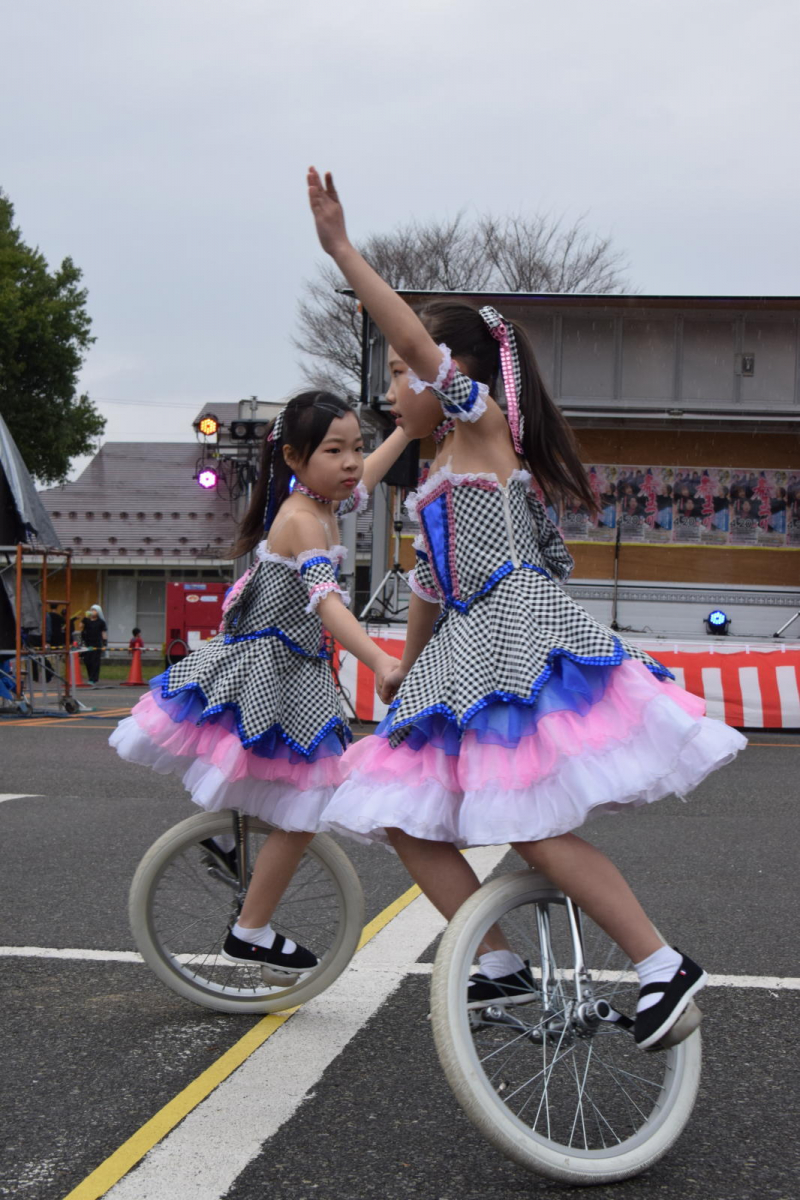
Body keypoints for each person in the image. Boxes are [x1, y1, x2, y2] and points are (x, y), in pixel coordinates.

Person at [308, 167, 747, 1050]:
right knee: (395, 810)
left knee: (533, 825)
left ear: (453, 374)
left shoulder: (482, 429)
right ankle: (498, 962)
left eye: (403, 372)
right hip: (463, 657)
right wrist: (401, 672)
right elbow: (432, 592)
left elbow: (420, 350)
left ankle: (662, 963)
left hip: (519, 639)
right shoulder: (433, 476)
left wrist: (343, 253)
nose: (394, 388)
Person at [111, 393, 408, 973]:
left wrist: (407, 430)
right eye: (335, 450)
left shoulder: (325, 502)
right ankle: (251, 930)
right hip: (272, 676)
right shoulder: (302, 521)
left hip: (288, 671)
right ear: (295, 458)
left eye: (357, 447)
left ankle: (233, 847)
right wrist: (381, 661)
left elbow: (368, 474)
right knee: (304, 810)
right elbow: (327, 604)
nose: (352, 462)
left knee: (286, 791)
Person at [82, 605, 108, 686]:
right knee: (87, 661)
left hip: (96, 644)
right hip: (87, 644)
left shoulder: (101, 622)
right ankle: (90, 676)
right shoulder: (86, 620)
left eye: (95, 610)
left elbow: (103, 633)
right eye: (92, 610)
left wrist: (104, 644)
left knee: (95, 662)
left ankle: (93, 678)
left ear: (98, 612)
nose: (93, 611)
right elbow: (81, 626)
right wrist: (85, 618)